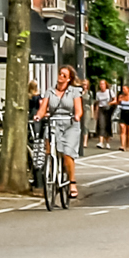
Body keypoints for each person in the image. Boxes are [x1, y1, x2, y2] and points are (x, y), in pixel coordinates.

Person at [39, 65, 86, 199]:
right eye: (60, 74)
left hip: (70, 124)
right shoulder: (50, 91)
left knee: (67, 153)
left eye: (64, 75)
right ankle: (51, 172)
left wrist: (77, 115)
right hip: (54, 123)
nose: (60, 77)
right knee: (48, 148)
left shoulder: (74, 92)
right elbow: (43, 108)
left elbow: (79, 109)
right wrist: (39, 116)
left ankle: (72, 183)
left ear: (69, 79)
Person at [92, 78, 116, 149]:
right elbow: (97, 103)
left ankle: (107, 142)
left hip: (108, 109)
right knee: (101, 124)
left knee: (107, 125)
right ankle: (101, 142)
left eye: (103, 84)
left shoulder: (110, 92)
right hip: (101, 109)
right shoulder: (98, 93)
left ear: (106, 85)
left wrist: (110, 103)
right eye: (100, 84)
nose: (101, 85)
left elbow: (115, 100)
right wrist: (96, 113)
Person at [114, 81, 129, 151]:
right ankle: (122, 145)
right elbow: (117, 105)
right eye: (123, 89)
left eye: (125, 89)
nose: (123, 90)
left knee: (128, 131)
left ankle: (127, 145)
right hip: (122, 113)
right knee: (122, 129)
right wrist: (119, 101)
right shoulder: (121, 96)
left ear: (128, 89)